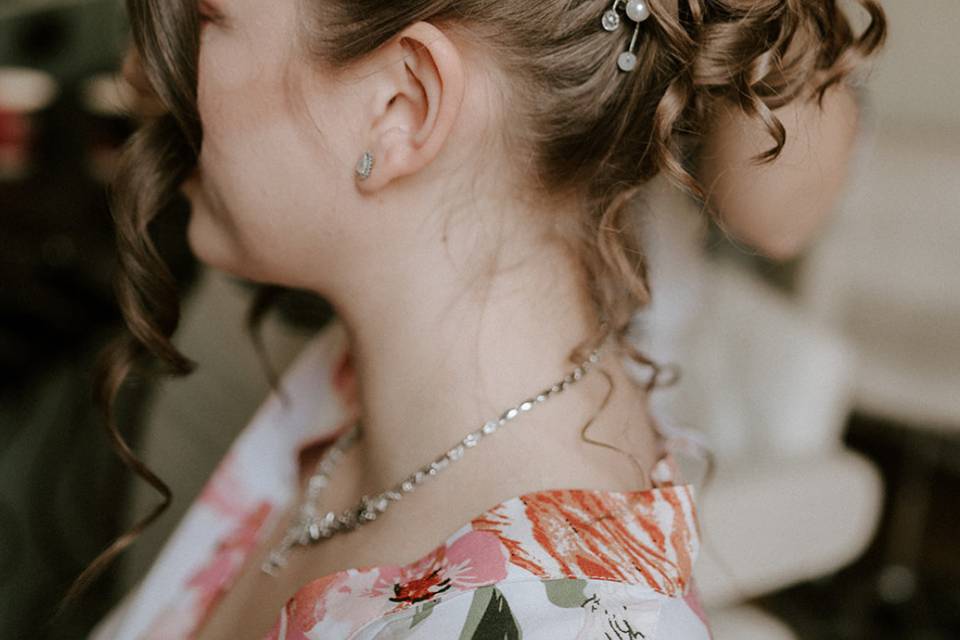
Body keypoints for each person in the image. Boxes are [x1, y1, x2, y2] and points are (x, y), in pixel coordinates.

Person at [78, 0, 886, 638]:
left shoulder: (551, 618)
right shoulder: (332, 410)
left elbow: (776, 211)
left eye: (211, 18)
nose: (139, 71)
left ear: (403, 102)